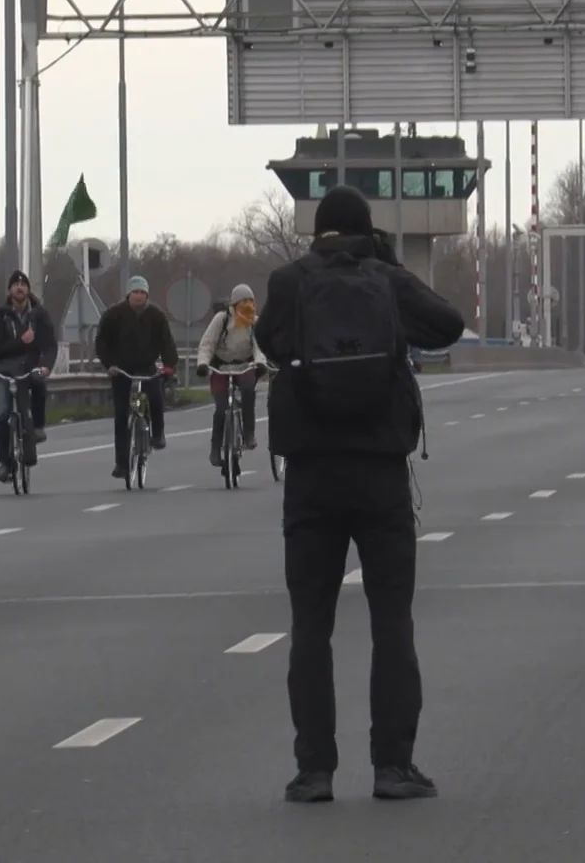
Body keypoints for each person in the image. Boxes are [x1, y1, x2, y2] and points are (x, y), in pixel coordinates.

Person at [254, 184, 465, 805]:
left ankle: (314, 770)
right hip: (379, 472)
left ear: (315, 231)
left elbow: (269, 342)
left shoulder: (290, 282)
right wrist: (389, 268)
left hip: (313, 476)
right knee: (391, 621)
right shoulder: (386, 279)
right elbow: (448, 324)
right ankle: (392, 767)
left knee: (310, 626)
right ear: (366, 231)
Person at [93, 274, 179, 479]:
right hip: (121, 369)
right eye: (135, 292)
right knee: (121, 416)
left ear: (147, 295)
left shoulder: (156, 316)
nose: (139, 296)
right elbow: (102, 342)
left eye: (142, 292)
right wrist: (109, 364)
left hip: (146, 367)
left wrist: (169, 366)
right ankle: (122, 464)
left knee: (156, 397)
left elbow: (167, 343)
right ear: (128, 294)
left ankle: (157, 433)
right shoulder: (114, 315)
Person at [0, 270, 58, 483]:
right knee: (2, 415)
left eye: (23, 284)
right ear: (10, 290)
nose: (19, 287)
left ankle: (37, 429)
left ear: (28, 289)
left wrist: (46, 366)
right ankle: (5, 464)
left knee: (37, 389)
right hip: (5, 370)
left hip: (29, 367)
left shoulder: (39, 315)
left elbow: (49, 344)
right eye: (15, 284)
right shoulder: (0, 316)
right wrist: (20, 342)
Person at [196, 283, 269, 468]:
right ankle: (215, 449)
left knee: (247, 391)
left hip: (245, 365)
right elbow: (207, 344)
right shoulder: (221, 320)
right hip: (222, 366)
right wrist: (203, 363)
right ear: (234, 303)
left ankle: (248, 434)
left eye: (250, 301)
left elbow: (259, 346)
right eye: (243, 301)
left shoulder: (254, 322)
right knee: (221, 409)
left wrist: (260, 362)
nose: (247, 305)